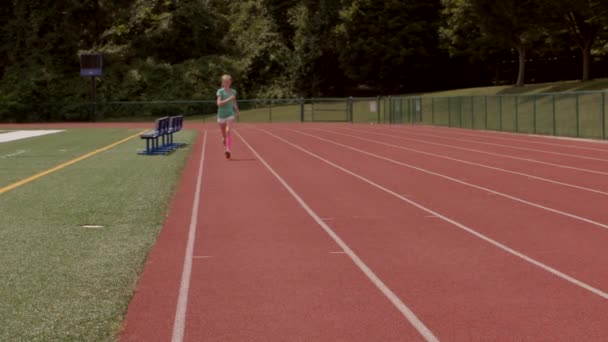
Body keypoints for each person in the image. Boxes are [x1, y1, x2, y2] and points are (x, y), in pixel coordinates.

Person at [216, 75, 240, 159]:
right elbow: (218, 103)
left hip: (230, 114)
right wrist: (229, 98)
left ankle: (228, 150)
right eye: (225, 82)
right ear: (222, 83)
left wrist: (237, 110)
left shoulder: (233, 91)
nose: (226, 83)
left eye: (228, 81)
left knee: (228, 131)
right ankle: (223, 138)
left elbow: (234, 102)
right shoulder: (220, 91)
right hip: (221, 115)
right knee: (224, 136)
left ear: (230, 82)